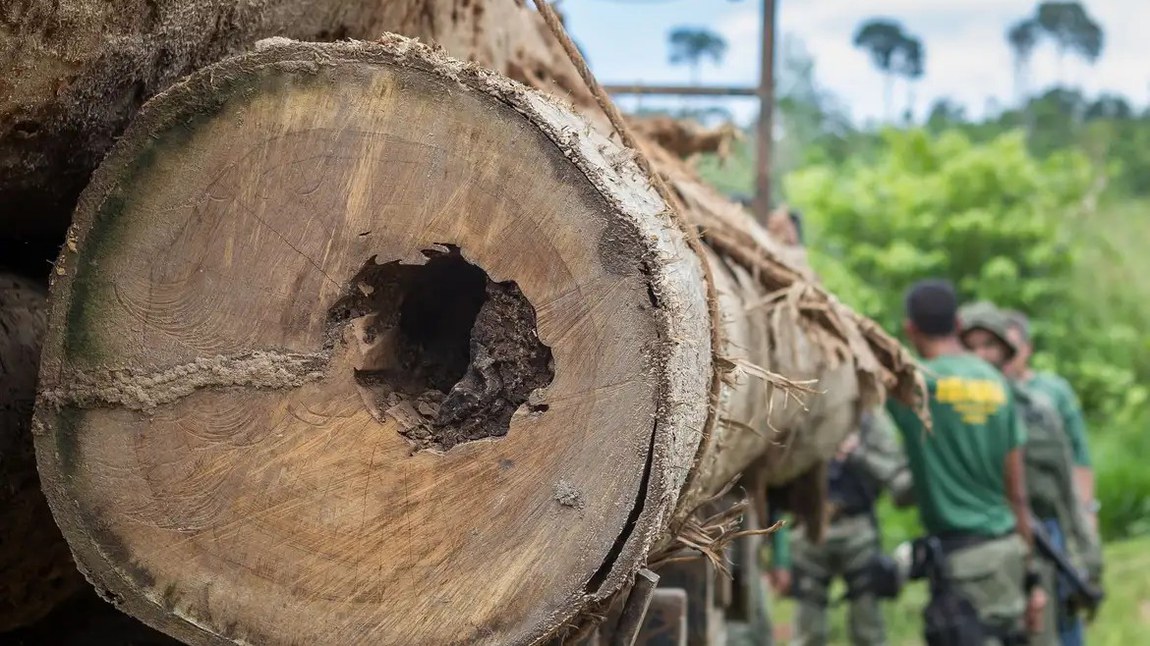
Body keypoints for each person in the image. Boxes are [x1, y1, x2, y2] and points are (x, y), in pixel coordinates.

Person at [885, 280, 1043, 644]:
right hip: (1008, 552)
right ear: (958, 324)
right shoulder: (997, 382)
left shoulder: (914, 388)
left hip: (962, 564)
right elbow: (1017, 494)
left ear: (911, 329)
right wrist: (1031, 575)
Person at [961, 304, 1098, 646]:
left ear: (1007, 352)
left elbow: (1066, 486)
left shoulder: (1038, 411)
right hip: (976, 550)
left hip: (1041, 540)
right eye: (971, 347)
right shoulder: (950, 411)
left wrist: (1088, 552)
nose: (980, 356)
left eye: (989, 345)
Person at [785, 409, 914, 646]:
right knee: (807, 628)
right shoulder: (804, 412)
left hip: (858, 528)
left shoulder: (871, 420)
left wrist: (857, 453)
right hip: (810, 528)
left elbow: (895, 478)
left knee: (868, 626)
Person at [1002, 310, 1099, 533]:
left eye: (1013, 347)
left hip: (1055, 510)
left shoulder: (1055, 390)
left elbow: (1079, 452)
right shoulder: (990, 392)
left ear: (1028, 348)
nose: (1007, 355)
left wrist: (1088, 509)